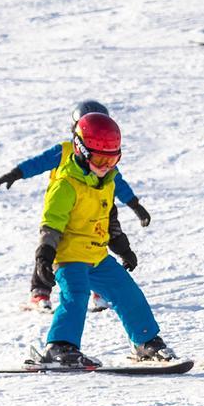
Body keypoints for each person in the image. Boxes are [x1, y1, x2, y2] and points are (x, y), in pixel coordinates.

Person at [35, 112, 178, 366]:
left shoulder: (107, 182)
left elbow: (109, 220)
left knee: (127, 293)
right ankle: (59, 347)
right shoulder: (66, 185)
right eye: (100, 159)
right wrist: (44, 257)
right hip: (69, 257)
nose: (105, 166)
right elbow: (52, 224)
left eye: (112, 160)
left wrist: (123, 249)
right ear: (80, 150)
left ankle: (146, 342)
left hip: (97, 256)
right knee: (75, 295)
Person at [0, 100, 151, 312]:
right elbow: (38, 162)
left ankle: (99, 291)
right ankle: (40, 292)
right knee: (51, 248)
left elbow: (117, 184)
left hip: (93, 209)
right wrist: (16, 173)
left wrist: (135, 205)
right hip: (63, 207)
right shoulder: (65, 150)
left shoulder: (103, 159)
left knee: (95, 244)